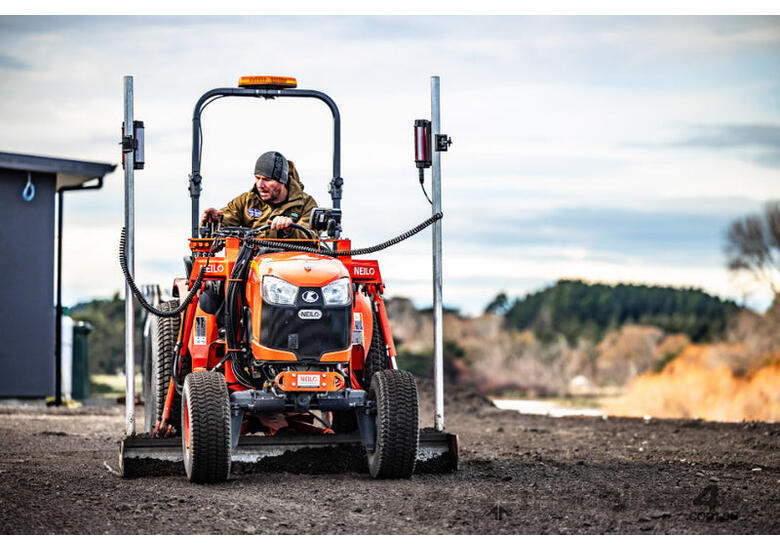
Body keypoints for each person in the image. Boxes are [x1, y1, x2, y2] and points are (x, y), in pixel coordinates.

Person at [201, 151, 317, 239]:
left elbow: (312, 236)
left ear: (283, 181)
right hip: (252, 265)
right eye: (257, 178)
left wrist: (289, 229)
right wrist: (212, 221)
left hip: (292, 265)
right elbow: (222, 227)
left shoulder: (306, 204)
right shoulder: (245, 201)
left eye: (267, 180)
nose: (260, 184)